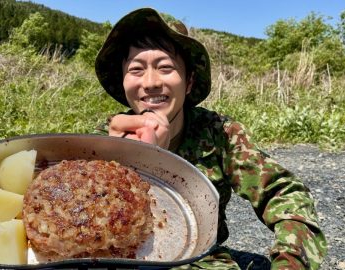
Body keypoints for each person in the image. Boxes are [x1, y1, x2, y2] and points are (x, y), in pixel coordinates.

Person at [94, 8, 327, 269]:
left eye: (165, 67)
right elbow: (80, 225)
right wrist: (129, 162)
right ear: (124, 82)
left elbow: (284, 193)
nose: (150, 82)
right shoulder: (105, 140)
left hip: (199, 259)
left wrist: (290, 263)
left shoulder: (218, 133)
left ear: (189, 82)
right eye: (136, 70)